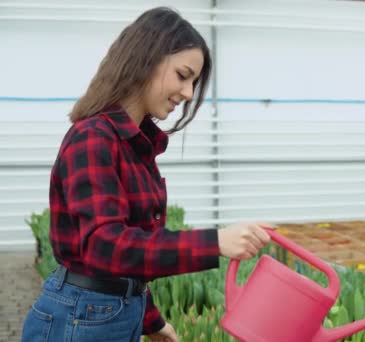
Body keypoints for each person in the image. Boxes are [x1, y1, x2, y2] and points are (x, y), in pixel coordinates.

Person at [21, 7, 272, 342]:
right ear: (147, 59)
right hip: (80, 320)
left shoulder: (136, 146)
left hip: (107, 314)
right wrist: (215, 242)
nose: (187, 94)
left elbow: (129, 251)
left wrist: (150, 320)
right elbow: (105, 246)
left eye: (193, 83)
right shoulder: (94, 138)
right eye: (183, 76)